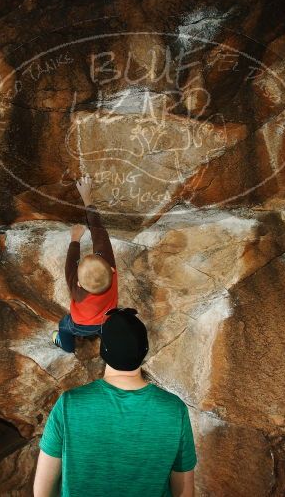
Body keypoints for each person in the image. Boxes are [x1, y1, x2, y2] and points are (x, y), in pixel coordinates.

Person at [34, 308, 197, 497]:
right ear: (144, 350)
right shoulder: (174, 410)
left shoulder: (69, 405)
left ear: (103, 351)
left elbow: (42, 491)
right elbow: (184, 490)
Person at [52, 175, 118, 353]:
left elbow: (69, 267)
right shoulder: (111, 271)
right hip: (105, 323)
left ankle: (66, 346)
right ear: (111, 269)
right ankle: (107, 346)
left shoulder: (77, 291)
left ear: (79, 283)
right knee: (106, 331)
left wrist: (75, 240)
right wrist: (87, 199)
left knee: (63, 326)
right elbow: (99, 232)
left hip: (80, 325)